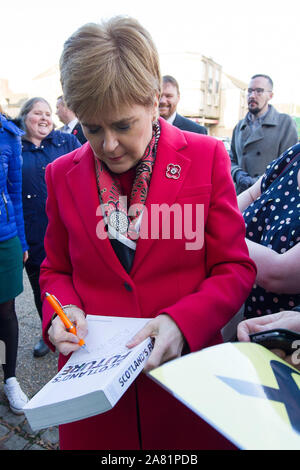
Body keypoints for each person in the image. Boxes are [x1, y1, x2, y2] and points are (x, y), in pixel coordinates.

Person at [39, 16, 256, 450]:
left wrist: (182, 322)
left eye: (123, 125)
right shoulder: (61, 174)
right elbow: (55, 270)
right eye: (92, 128)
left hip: (186, 389)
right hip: (94, 407)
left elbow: (234, 266)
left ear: (155, 100)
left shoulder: (206, 156)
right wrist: (60, 315)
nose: (108, 145)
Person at [19, 97, 81, 358]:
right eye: (37, 113)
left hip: (68, 229)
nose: (45, 118)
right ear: (24, 118)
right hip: (33, 232)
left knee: (75, 280)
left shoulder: (65, 141)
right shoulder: (14, 146)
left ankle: (77, 322)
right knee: (40, 287)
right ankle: (48, 329)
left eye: (48, 113)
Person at [238, 142, 300, 320]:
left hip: (281, 339)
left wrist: (213, 231)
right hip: (242, 316)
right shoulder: (296, 154)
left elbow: (278, 274)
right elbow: (250, 195)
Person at [0, 107, 29, 414]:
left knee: (6, 312)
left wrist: (21, 240)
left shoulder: (8, 135)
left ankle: (10, 379)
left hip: (4, 238)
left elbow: (14, 190)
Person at [230, 74, 298, 194]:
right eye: (250, 91)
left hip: (268, 195)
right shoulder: (239, 126)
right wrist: (237, 173)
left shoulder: (285, 123)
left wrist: (258, 182)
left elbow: (289, 163)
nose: (252, 95)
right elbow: (230, 159)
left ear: (270, 95)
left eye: (259, 91)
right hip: (240, 195)